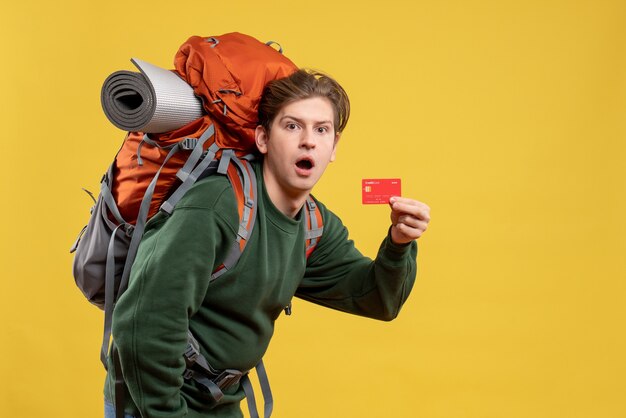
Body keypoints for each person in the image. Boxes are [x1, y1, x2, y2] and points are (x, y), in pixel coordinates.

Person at [105, 69, 431, 417]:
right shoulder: (216, 206)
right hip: (155, 400)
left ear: (333, 147)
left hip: (219, 401)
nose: (308, 141)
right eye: (292, 126)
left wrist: (398, 244)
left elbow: (378, 299)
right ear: (263, 138)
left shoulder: (312, 224)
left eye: (321, 129)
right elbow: (143, 324)